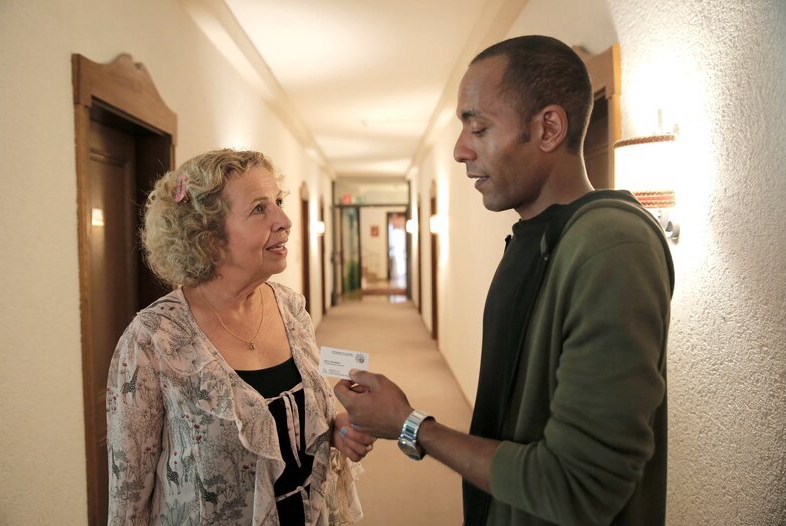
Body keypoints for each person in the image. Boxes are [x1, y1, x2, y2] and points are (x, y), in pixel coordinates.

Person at [335, 35, 674, 526]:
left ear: (549, 128)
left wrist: (410, 425)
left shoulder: (612, 246)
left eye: (479, 126)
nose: (460, 149)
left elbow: (578, 485)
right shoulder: (536, 238)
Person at [107, 149, 373, 525]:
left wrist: (337, 427)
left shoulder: (291, 308)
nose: (284, 220)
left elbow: (306, 416)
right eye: (259, 209)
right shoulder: (154, 339)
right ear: (208, 235)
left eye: (278, 202)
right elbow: (128, 496)